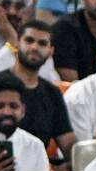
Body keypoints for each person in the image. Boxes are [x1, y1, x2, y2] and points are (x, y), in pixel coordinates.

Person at [7, 19, 74, 157]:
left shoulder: (53, 93)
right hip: (2, 169)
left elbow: (68, 144)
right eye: (29, 40)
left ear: (51, 51)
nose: (34, 47)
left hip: (42, 170)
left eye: (42, 43)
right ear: (17, 44)